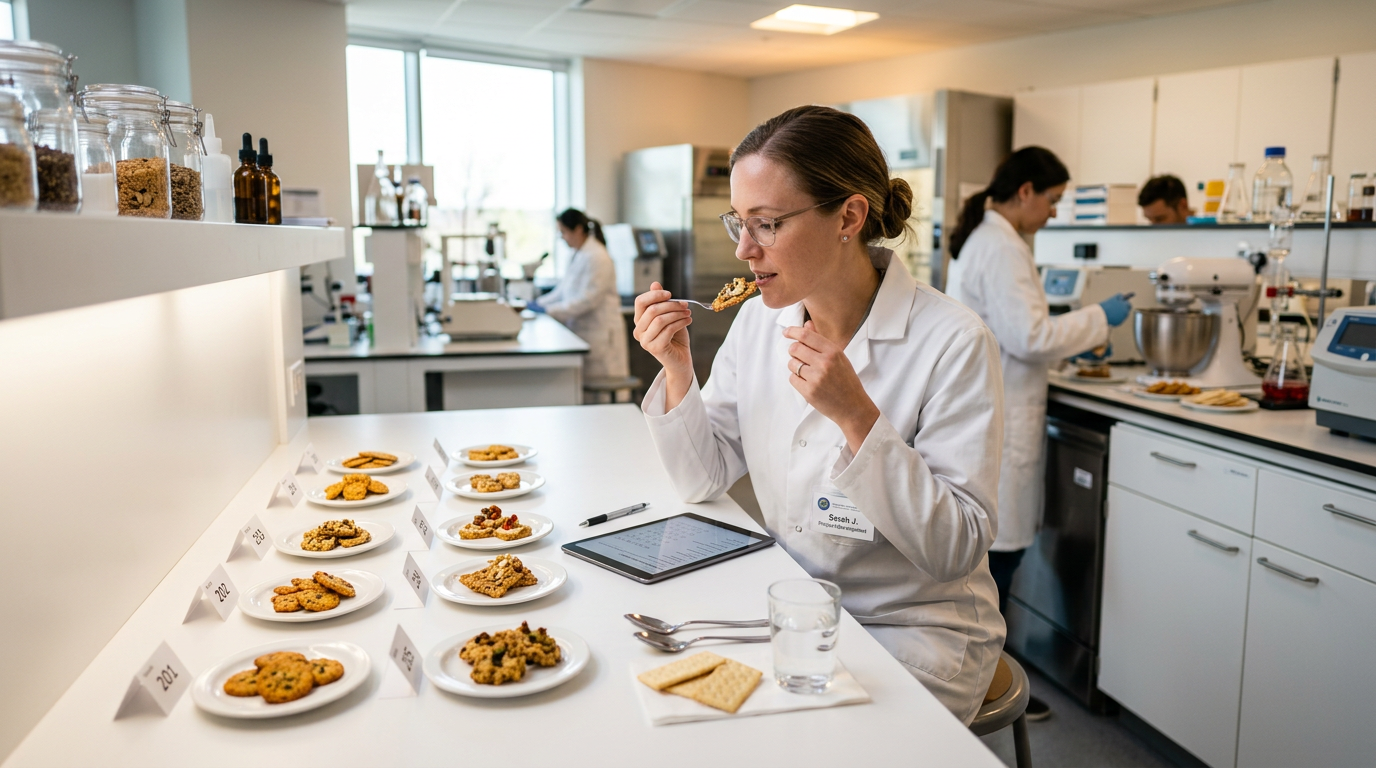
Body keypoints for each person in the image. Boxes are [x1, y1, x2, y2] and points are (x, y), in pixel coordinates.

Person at [633, 105, 1007, 725]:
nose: (744, 249)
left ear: (849, 217)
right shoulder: (758, 322)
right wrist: (678, 370)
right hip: (794, 606)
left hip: (910, 631)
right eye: (738, 222)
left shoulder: (952, 340)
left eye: (768, 224)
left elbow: (955, 548)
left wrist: (858, 419)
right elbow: (703, 478)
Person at [951, 146, 1133, 720]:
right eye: (1052, 201)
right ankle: (982, 683)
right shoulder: (1001, 247)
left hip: (994, 409)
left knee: (991, 558)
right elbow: (1029, 338)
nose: (1053, 213)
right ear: (1025, 191)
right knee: (997, 560)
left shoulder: (989, 238)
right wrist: (1101, 317)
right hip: (1001, 416)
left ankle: (980, 674)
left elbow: (1019, 331)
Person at [529, 209, 630, 389]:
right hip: (583, 332)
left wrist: (549, 310)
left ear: (577, 230)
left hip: (600, 334)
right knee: (585, 392)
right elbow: (562, 290)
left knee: (605, 397)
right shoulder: (577, 254)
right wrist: (538, 304)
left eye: (564, 232)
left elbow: (588, 300)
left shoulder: (598, 256)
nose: (562, 237)